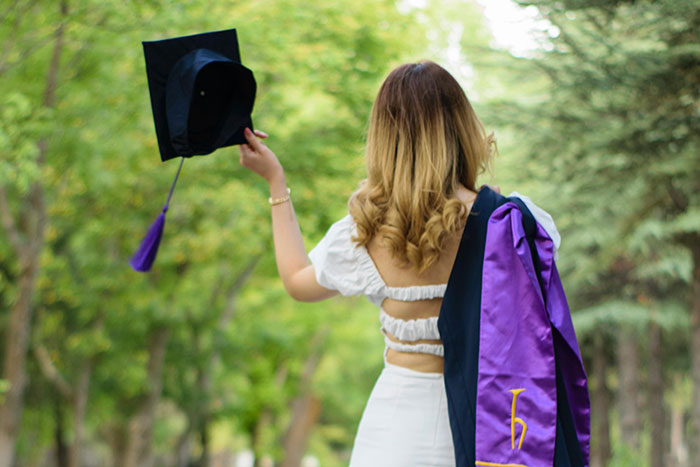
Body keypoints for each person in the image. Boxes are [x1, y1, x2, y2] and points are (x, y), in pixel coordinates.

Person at [238, 60, 562, 466]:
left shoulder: (366, 231)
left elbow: (295, 281)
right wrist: (489, 208)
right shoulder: (510, 223)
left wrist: (276, 183)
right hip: (487, 432)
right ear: (462, 128)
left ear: (383, 139)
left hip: (390, 434)